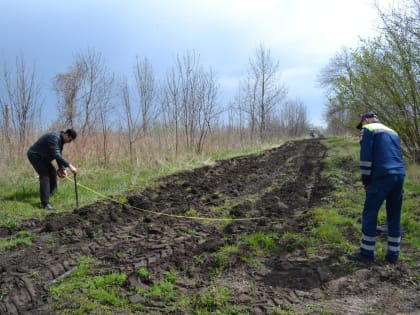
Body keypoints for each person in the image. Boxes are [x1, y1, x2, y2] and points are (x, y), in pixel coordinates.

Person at [348, 112, 405, 264]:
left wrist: (366, 180)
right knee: (394, 215)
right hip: (399, 174)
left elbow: (366, 158)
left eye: (362, 124)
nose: (362, 127)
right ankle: (393, 254)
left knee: (370, 213)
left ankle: (366, 253)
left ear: (365, 120)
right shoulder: (392, 131)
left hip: (381, 176)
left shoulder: (369, 129)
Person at [27, 128, 78, 210]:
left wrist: (62, 168)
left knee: (53, 172)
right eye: (70, 140)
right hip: (35, 156)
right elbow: (56, 154)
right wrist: (70, 166)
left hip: (43, 158)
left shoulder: (61, 140)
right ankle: (44, 204)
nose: (69, 142)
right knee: (45, 176)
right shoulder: (54, 138)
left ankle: (52, 194)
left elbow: (58, 155)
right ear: (66, 134)